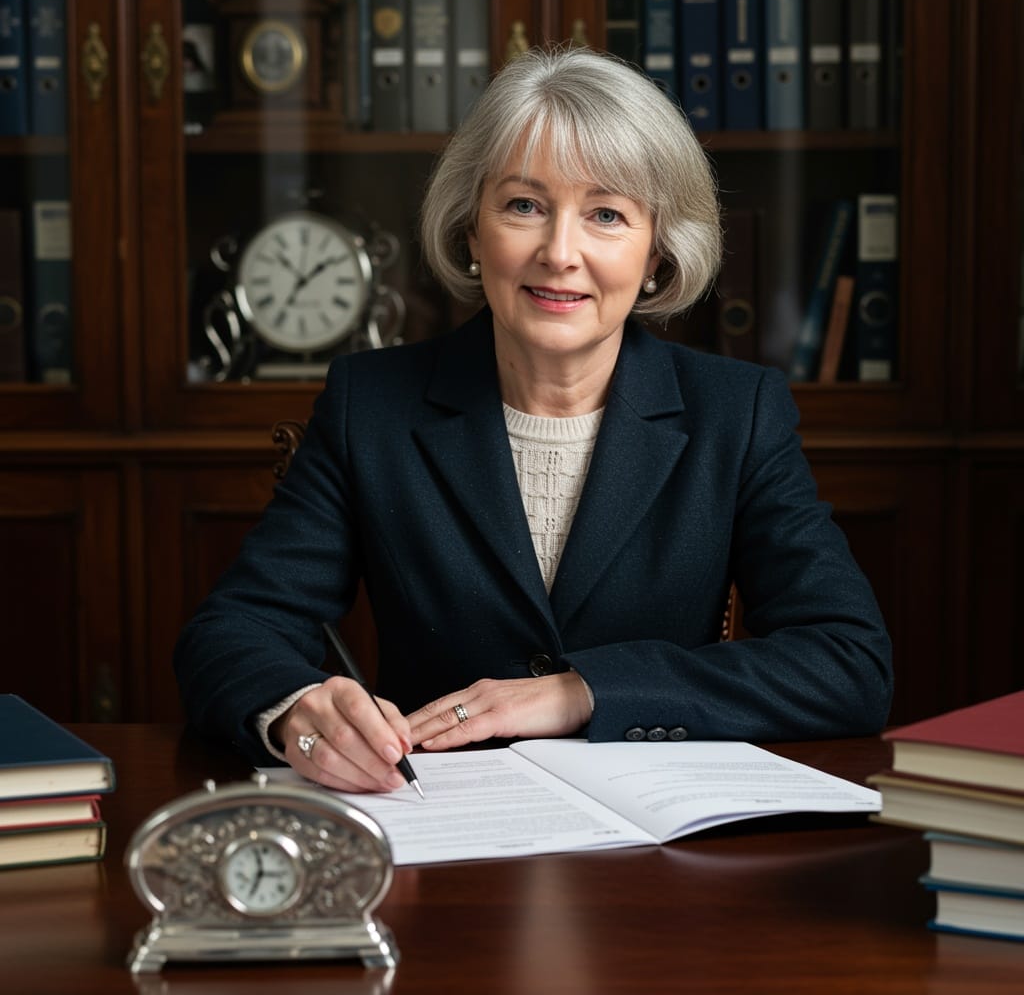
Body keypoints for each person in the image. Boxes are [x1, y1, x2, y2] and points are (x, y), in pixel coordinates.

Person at [174, 46, 892, 795]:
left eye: (607, 215)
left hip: (657, 851)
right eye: (524, 205)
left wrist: (582, 691)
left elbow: (848, 662)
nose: (559, 253)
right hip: (443, 830)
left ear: (656, 254)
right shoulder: (372, 405)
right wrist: (300, 712)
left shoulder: (734, 413)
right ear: (472, 231)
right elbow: (231, 633)